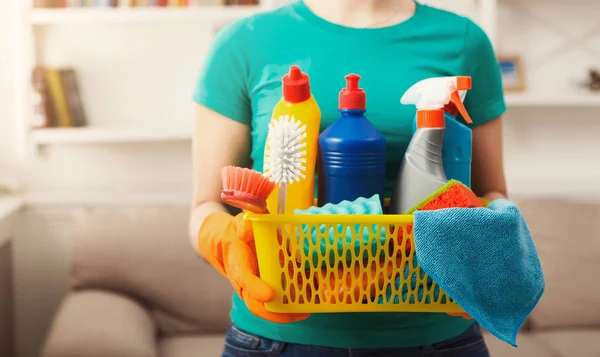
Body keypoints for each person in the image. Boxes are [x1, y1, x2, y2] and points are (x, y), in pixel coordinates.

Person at [189, 0, 508, 356]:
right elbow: (206, 204)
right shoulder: (244, 41)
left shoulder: (463, 40)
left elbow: (491, 193)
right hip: (275, 338)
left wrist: (488, 249)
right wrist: (222, 240)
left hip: (439, 336)